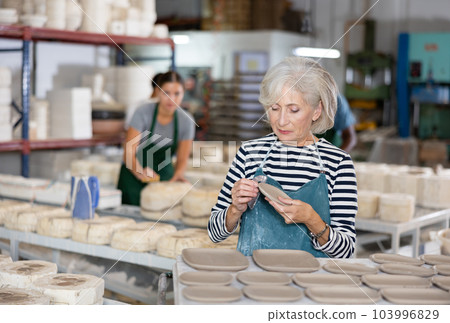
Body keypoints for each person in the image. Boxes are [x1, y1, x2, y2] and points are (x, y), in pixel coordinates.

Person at [208, 57, 357, 258]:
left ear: (316, 111)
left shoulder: (338, 164)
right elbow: (214, 233)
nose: (281, 120)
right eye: (274, 108)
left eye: (293, 109)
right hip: (255, 282)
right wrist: (235, 209)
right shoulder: (249, 154)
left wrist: (312, 220)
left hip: (311, 285)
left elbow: (346, 251)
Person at [117, 71, 195, 206]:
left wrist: (178, 177)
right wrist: (140, 172)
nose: (171, 99)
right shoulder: (143, 112)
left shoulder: (186, 121)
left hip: (164, 177)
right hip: (133, 178)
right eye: (166, 93)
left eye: (177, 94)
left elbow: (182, 158)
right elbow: (128, 153)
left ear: (183, 94)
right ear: (158, 92)